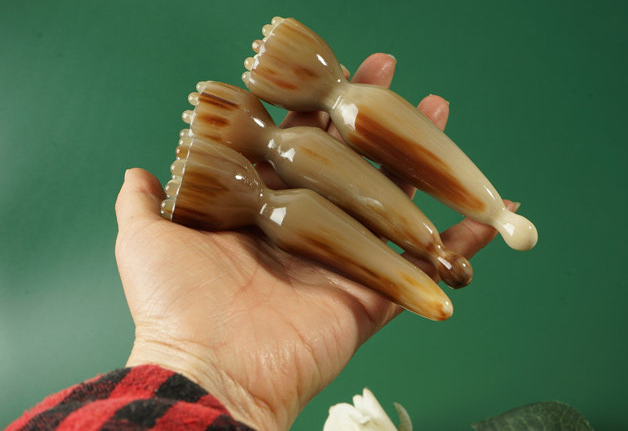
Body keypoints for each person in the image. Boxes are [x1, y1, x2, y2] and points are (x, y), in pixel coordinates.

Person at [7, 54, 515, 431]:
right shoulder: (278, 176)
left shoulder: (292, 157)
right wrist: (200, 365)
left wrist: (193, 364)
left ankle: (453, 244)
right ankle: (451, 247)